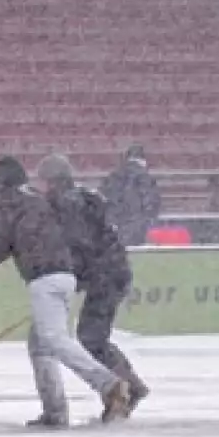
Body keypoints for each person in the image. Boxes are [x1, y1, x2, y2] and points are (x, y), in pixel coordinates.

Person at [0, 157, 132, 427]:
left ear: (1, 184)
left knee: (54, 339)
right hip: (65, 275)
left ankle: (109, 385)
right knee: (40, 345)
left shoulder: (12, 204)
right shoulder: (37, 200)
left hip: (44, 278)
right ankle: (54, 410)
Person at [37, 154, 151, 412]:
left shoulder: (68, 205)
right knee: (93, 336)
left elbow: (81, 245)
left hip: (105, 275)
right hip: (112, 270)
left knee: (92, 337)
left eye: (43, 181)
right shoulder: (84, 198)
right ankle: (127, 384)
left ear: (53, 181)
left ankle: (128, 387)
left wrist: (74, 276)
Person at [101, 145, 162, 247]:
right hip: (136, 225)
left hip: (114, 226)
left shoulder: (113, 177)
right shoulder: (145, 177)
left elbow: (104, 199)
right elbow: (150, 202)